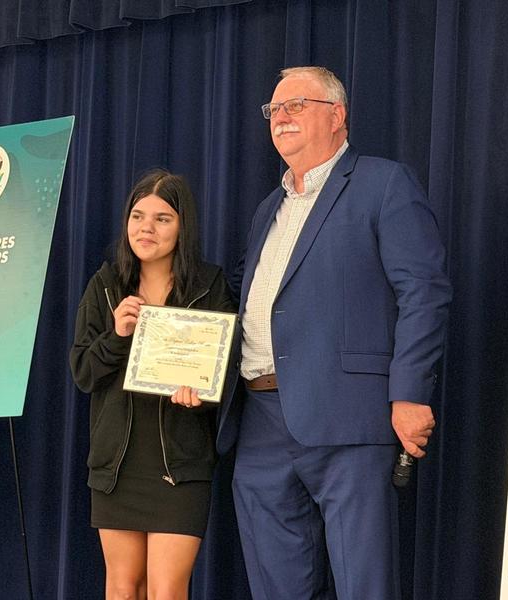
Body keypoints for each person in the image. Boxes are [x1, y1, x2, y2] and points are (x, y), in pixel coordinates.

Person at [216, 66, 452, 600]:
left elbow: (423, 291)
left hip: (349, 417)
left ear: (337, 115)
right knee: (276, 587)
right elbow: (242, 299)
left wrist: (409, 393)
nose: (281, 117)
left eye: (296, 105)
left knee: (364, 584)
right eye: (274, 110)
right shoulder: (268, 208)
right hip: (259, 420)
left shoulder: (383, 184)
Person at [70, 169, 236, 600]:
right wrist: (117, 335)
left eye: (162, 219)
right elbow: (84, 372)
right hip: (116, 466)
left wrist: (200, 397)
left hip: (180, 466)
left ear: (182, 228)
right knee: (124, 589)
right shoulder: (106, 286)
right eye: (138, 216)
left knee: (166, 591)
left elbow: (225, 374)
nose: (146, 228)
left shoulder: (210, 286)